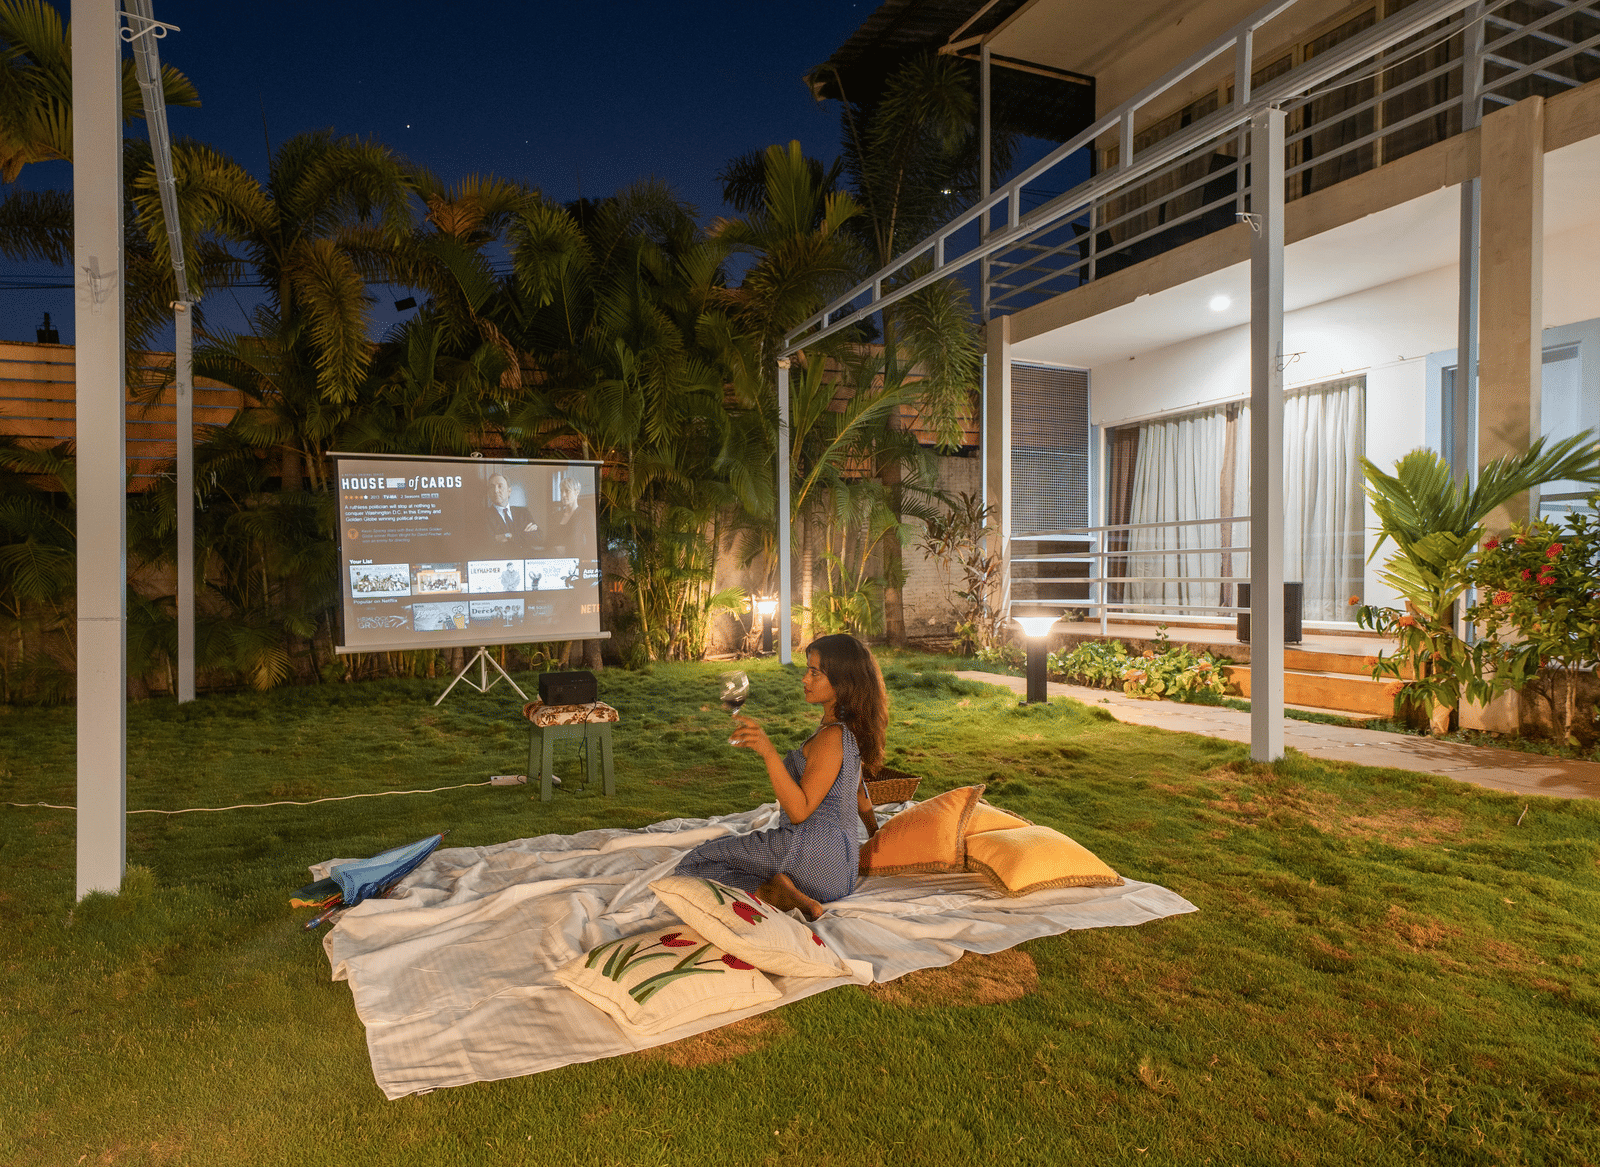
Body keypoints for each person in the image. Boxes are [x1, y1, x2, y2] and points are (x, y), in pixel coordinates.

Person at [670, 633, 887, 920]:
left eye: (814, 673)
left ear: (842, 681)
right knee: (734, 853)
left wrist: (767, 751)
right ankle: (788, 891)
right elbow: (859, 793)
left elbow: (798, 811)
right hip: (842, 873)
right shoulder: (851, 732)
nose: (804, 679)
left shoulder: (832, 737)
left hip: (809, 855)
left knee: (693, 863)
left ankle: (770, 893)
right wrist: (876, 833)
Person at [483, 473, 540, 550]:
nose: (496, 491)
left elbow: (539, 537)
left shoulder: (523, 512)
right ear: (489, 493)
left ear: (509, 491)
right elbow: (489, 544)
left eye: (500, 486)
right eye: (492, 487)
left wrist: (509, 536)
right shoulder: (483, 517)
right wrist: (524, 535)